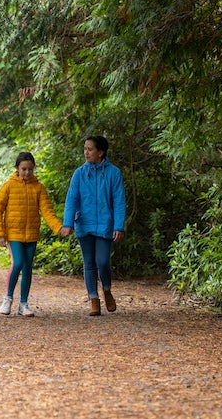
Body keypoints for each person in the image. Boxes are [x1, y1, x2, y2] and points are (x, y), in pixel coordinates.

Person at [59, 135, 126, 316]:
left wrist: (118, 226)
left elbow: (119, 201)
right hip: (84, 224)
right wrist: (67, 223)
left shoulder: (113, 173)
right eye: (85, 149)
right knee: (89, 263)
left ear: (100, 152)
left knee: (102, 262)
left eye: (90, 149)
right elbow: (71, 200)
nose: (86, 152)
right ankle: (93, 299)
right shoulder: (79, 173)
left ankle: (106, 290)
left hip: (105, 225)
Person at [0, 152, 63, 317]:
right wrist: (0, 234)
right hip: (13, 233)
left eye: (30, 169)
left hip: (31, 234)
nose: (27, 172)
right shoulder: (8, 186)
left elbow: (47, 211)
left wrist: (58, 228)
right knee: (17, 263)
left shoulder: (39, 188)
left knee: (28, 267)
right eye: (24, 169)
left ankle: (23, 303)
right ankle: (7, 298)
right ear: (17, 168)